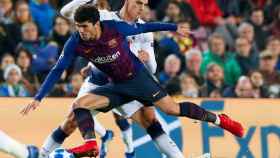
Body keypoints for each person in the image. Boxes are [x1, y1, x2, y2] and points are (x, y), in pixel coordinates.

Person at [21, 5, 244, 158]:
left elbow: (145, 27)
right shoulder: (75, 41)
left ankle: (218, 119)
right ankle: (90, 145)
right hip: (114, 86)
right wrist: (39, 97)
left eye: (85, 27)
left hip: (139, 80)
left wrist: (174, 28)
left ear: (96, 23)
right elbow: (58, 68)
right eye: (78, 27)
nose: (81, 32)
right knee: (79, 106)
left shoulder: (114, 28)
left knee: (172, 109)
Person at [49, 0, 184, 158]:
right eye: (138, 3)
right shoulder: (106, 17)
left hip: (130, 81)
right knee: (73, 119)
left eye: (144, 5)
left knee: (150, 121)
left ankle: (128, 149)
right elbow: (66, 12)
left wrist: (146, 59)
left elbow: (152, 68)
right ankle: (44, 154)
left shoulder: (145, 30)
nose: (141, 8)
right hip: (102, 82)